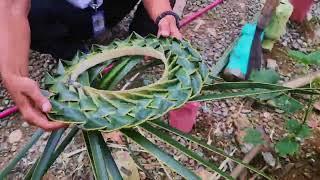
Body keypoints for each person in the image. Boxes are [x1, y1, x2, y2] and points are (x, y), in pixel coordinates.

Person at [0, 0, 182, 131]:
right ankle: (72, 52)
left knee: (153, 24)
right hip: (63, 10)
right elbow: (12, 6)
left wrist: (163, 13)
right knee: (34, 15)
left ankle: (145, 40)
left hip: (110, 7)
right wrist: (13, 74)